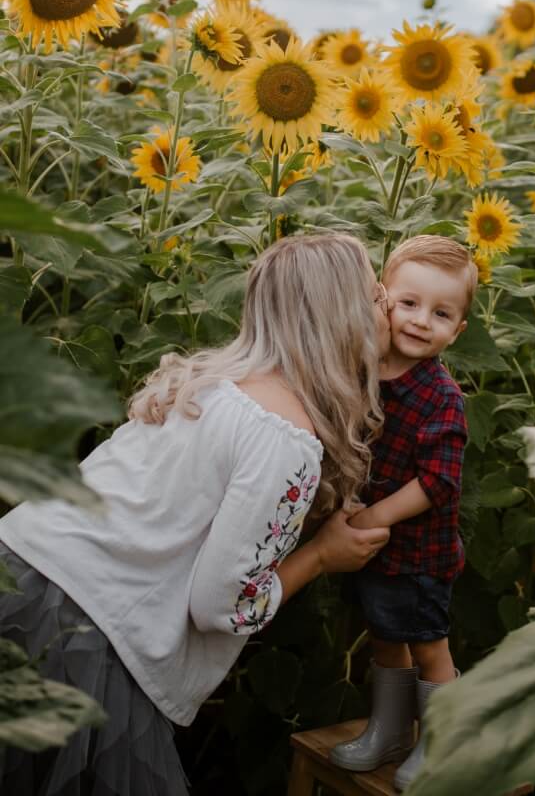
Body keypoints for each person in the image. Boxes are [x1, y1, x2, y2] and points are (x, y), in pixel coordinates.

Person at [0, 232, 392, 796]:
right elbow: (221, 605)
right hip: (83, 637)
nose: (385, 309)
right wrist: (322, 556)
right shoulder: (287, 440)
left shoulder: (207, 384)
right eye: (376, 296)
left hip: (23, 573)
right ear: (343, 317)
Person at [329, 235, 478, 792]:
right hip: (372, 547)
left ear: (458, 330)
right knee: (383, 636)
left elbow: (438, 481)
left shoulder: (441, 395)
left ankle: (439, 746)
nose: (420, 321)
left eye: (441, 314)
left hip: (417, 552)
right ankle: (390, 732)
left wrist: (374, 518)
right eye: (409, 303)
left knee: (428, 645)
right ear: (382, 298)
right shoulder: (366, 368)